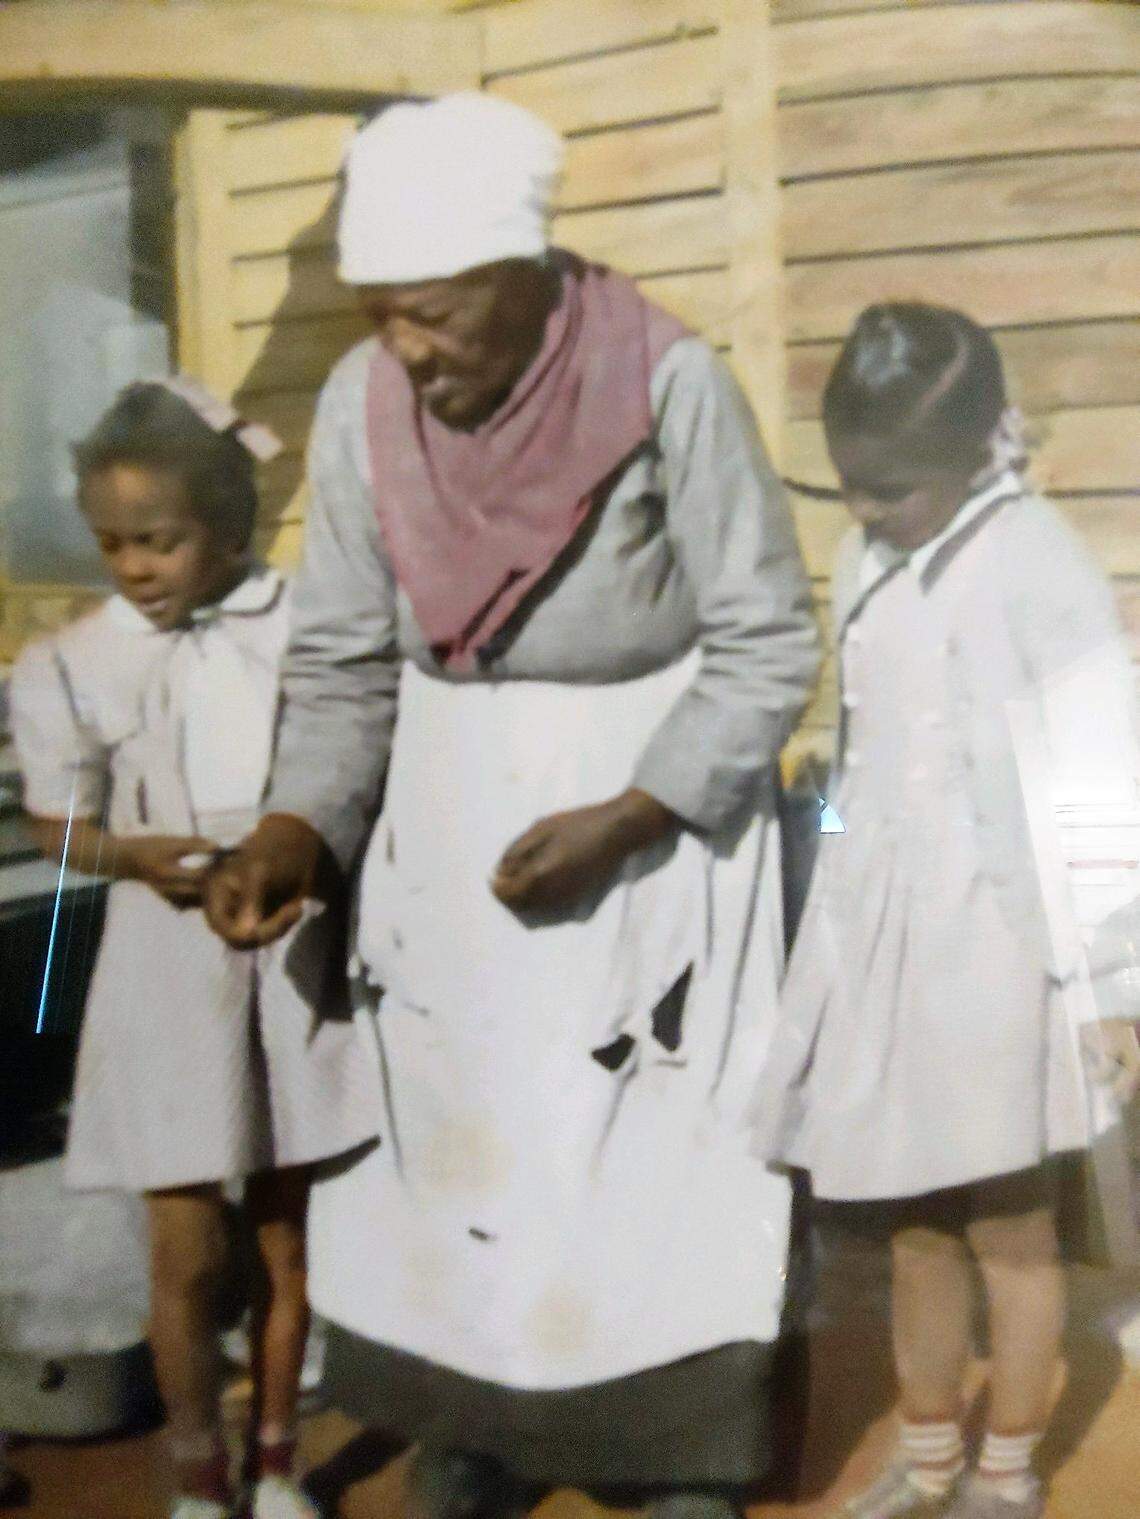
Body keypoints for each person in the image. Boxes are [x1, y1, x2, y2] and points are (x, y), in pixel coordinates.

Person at [204, 92, 819, 1519]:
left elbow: (769, 637)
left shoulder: (667, 384)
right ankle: (476, 1426)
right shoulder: (367, 410)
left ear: (521, 279)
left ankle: (677, 1455)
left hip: (646, 817)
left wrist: (639, 809)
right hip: (450, 814)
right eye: (381, 315)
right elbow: (345, 657)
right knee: (466, 1144)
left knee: (650, 1150)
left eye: (431, 314)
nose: (407, 352)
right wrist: (299, 826)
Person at [750, 303, 1140, 1519]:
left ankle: (1006, 1473)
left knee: (1009, 1230)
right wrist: (826, 866)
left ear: (978, 453)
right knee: (909, 1226)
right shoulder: (872, 560)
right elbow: (854, 758)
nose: (866, 515)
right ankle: (924, 1463)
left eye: (893, 490)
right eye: (853, 489)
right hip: (884, 931)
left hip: (1000, 943)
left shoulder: (1037, 564)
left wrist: (1115, 984)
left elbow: (1103, 788)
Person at [9, 381, 378, 1519]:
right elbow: (53, 821)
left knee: (283, 1239)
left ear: (227, 528)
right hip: (164, 961)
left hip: (286, 945)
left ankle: (275, 1463)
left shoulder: (299, 620)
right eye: (113, 543)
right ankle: (196, 1477)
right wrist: (121, 854)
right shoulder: (70, 659)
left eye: (160, 541)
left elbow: (345, 752)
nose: (133, 566)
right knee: (183, 1247)